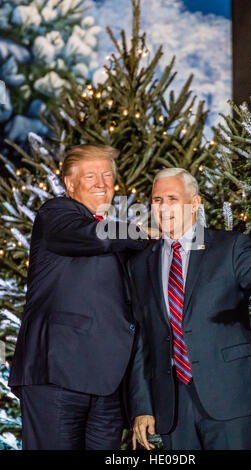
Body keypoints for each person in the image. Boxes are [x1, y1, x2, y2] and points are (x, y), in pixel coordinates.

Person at [127, 167, 251, 451]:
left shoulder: (229, 247)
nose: (163, 207)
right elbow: (142, 340)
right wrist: (142, 406)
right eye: (157, 200)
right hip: (172, 406)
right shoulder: (141, 263)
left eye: (172, 198)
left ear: (195, 204)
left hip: (230, 395)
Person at [8, 144, 147, 450]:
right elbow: (91, 236)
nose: (102, 183)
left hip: (108, 385)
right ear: (70, 184)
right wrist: (144, 232)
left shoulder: (118, 235)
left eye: (108, 175)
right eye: (91, 176)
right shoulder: (57, 213)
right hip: (57, 375)